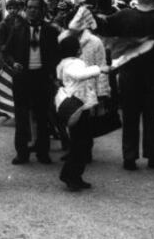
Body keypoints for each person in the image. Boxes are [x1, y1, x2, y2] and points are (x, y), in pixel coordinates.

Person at [82, 0, 154, 171]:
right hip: (129, 74)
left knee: (152, 116)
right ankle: (129, 156)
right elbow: (104, 25)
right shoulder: (124, 15)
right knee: (130, 116)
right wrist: (89, 15)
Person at [1, 0, 60, 165]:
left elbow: (56, 54)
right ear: (25, 10)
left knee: (42, 116)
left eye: (36, 8)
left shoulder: (50, 31)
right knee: (21, 117)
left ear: (42, 10)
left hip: (42, 78)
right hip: (22, 78)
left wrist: (52, 73)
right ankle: (22, 153)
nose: (32, 10)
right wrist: (14, 64)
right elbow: (6, 51)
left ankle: (43, 152)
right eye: (29, 7)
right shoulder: (17, 29)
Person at [56, 35, 106, 191]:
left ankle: (75, 175)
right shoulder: (74, 63)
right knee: (81, 144)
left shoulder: (63, 64)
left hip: (75, 107)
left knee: (81, 143)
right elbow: (80, 75)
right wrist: (99, 69)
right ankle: (70, 175)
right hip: (79, 107)